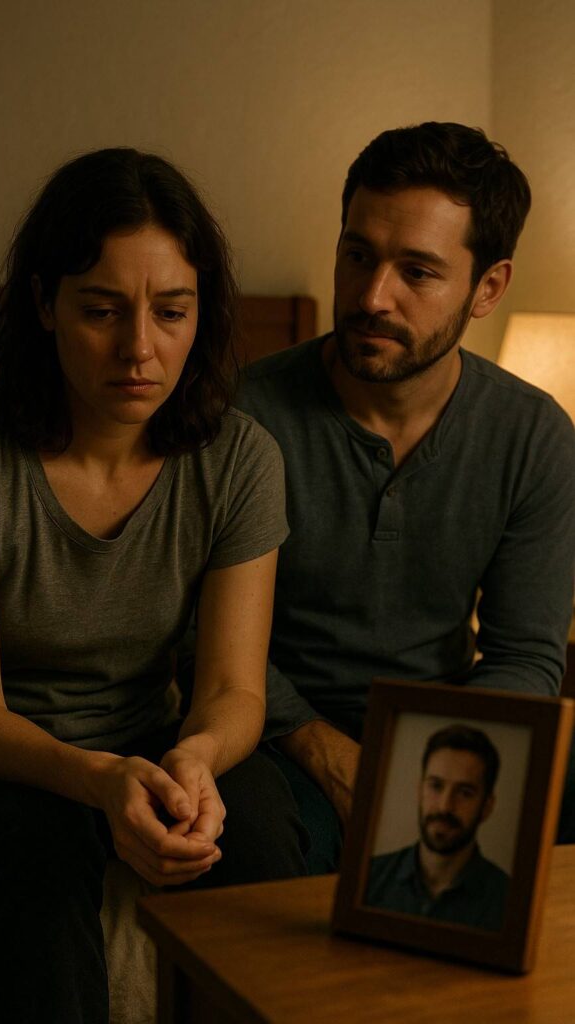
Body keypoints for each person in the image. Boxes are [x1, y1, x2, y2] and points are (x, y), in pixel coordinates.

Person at [0, 148, 308, 1024]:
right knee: (45, 844)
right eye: (102, 311)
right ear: (44, 305)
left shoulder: (239, 461)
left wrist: (190, 762)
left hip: (146, 729)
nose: (139, 350)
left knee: (260, 827)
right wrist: (96, 780)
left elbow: (234, 688)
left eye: (171, 312)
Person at [236, 121, 575, 868]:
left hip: (447, 728)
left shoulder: (533, 436)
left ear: (487, 287)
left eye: (416, 272)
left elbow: (524, 655)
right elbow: (197, 633)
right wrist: (322, 751)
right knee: (260, 839)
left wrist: (439, 771)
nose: (371, 296)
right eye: (357, 256)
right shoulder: (242, 417)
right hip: (274, 729)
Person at [366, 725, 509, 931]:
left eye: (465, 792)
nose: (445, 806)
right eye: (436, 786)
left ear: (487, 806)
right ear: (419, 790)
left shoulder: (507, 900)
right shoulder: (370, 877)